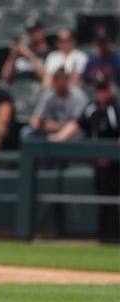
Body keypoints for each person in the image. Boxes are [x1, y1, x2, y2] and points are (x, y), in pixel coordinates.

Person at [49, 74, 119, 243]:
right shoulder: (91, 107)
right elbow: (76, 124)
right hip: (99, 162)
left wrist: (111, 154)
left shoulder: (116, 107)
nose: (101, 93)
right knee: (102, 200)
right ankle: (105, 238)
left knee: (116, 199)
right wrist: (59, 137)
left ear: (110, 89)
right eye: (98, 89)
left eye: (104, 89)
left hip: (116, 162)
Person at [20, 67, 88, 139]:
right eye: (55, 80)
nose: (56, 84)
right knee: (26, 132)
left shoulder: (78, 96)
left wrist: (55, 126)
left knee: (80, 135)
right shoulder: (48, 94)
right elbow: (35, 120)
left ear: (66, 81)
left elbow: (77, 124)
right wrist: (38, 123)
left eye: (59, 80)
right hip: (49, 130)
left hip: (70, 130)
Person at [0, 19, 49, 83]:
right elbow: (5, 77)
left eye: (35, 31)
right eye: (30, 32)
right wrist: (12, 56)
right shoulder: (21, 53)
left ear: (42, 32)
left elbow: (44, 76)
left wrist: (30, 56)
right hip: (17, 87)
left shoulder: (49, 53)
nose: (32, 34)